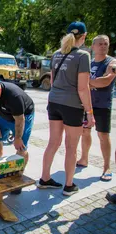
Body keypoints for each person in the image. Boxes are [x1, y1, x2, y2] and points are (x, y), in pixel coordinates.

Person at [38, 22, 95, 196]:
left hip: (54, 102)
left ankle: (44, 178)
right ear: (83, 37)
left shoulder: (56, 54)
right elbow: (83, 88)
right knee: (71, 146)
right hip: (72, 105)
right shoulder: (83, 55)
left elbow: (53, 82)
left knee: (53, 142)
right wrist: (90, 113)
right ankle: (69, 185)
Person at [0, 77, 34, 194]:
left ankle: (17, 177)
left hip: (22, 117)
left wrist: (18, 138)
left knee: (21, 147)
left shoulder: (14, 97)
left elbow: (20, 120)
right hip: (3, 114)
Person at [77, 35, 116, 182]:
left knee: (103, 135)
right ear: (92, 46)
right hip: (88, 104)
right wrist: (92, 83)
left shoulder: (111, 62)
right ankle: (84, 159)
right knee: (85, 132)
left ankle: (107, 167)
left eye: (105, 43)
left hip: (103, 105)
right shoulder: (89, 63)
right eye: (99, 44)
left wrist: (87, 83)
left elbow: (105, 81)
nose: (103, 46)